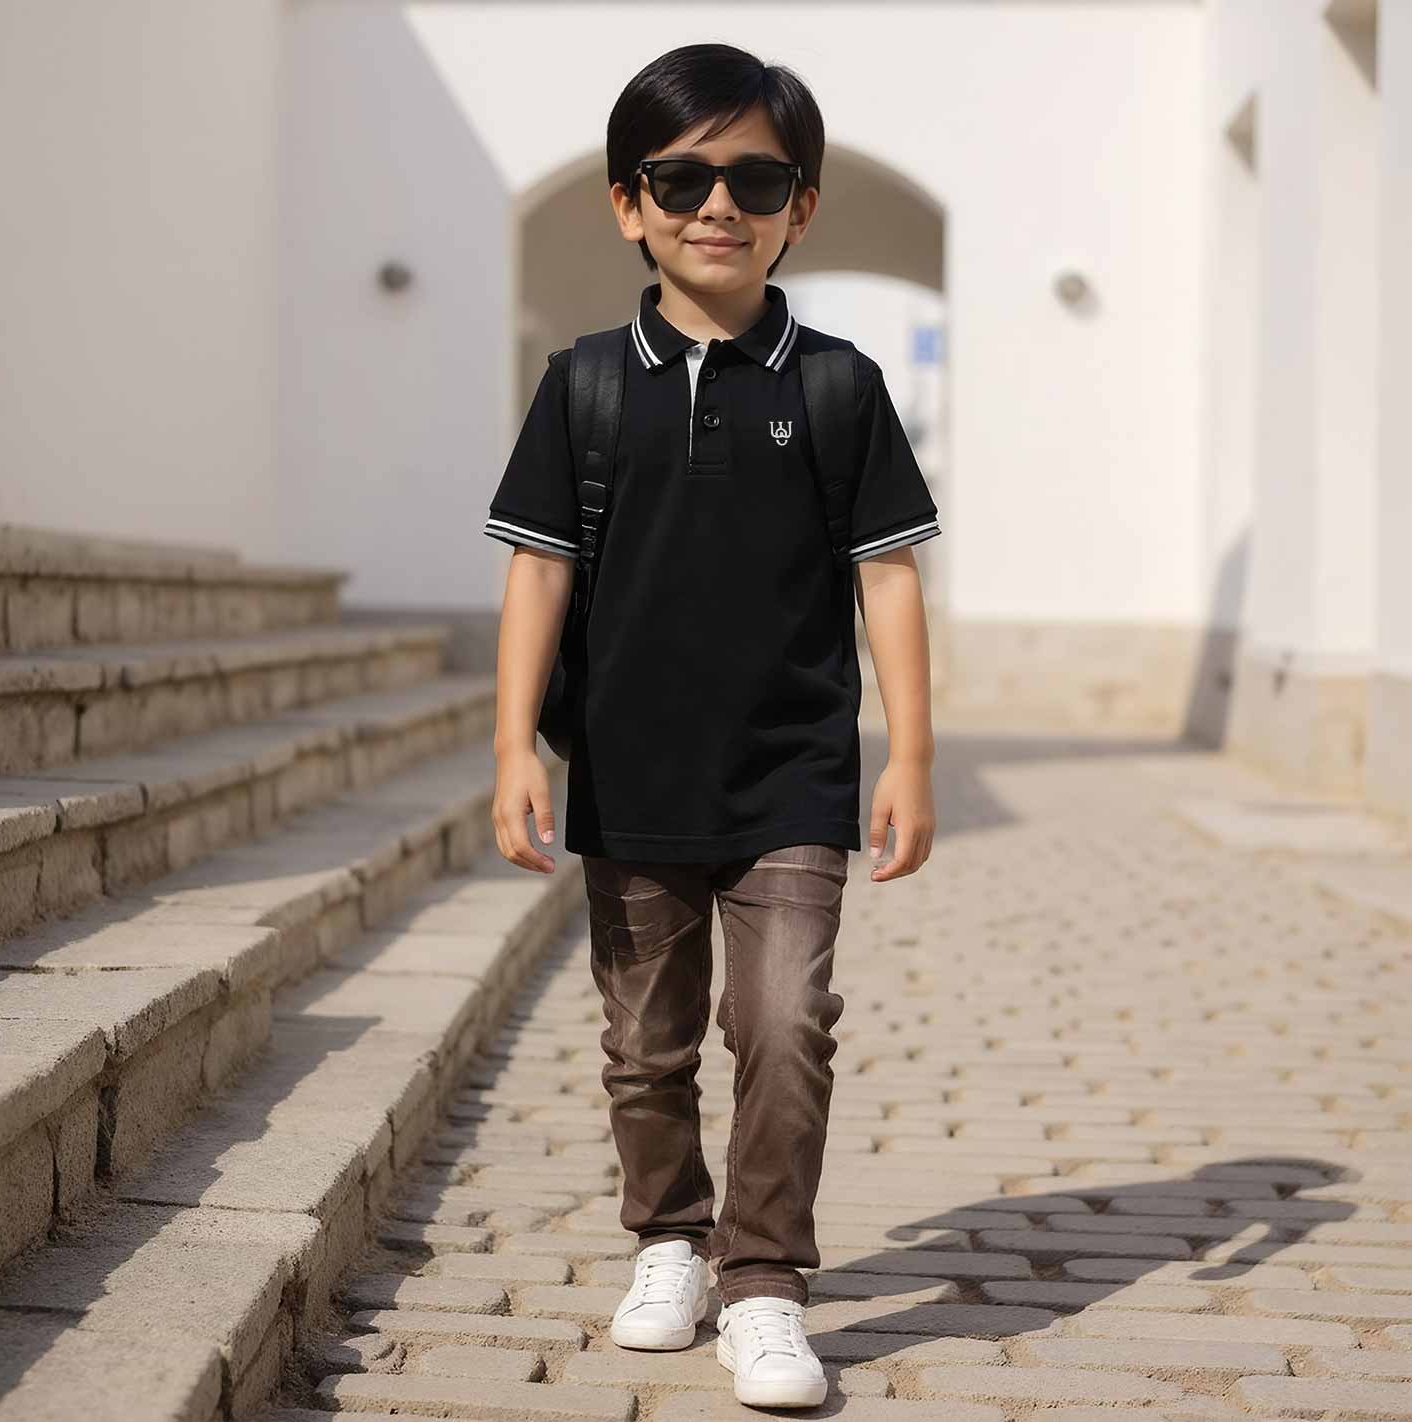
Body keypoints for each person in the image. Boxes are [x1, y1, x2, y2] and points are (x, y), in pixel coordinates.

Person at [484, 42, 939, 1410]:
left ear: (798, 204)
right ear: (628, 202)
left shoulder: (840, 386)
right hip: (626, 773)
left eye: (752, 177)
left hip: (792, 772)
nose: (715, 204)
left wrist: (910, 751)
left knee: (785, 1018)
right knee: (645, 1043)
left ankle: (761, 1282)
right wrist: (514, 744)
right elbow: (539, 568)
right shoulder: (583, 386)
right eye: (681, 177)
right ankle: (668, 1237)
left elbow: (887, 574)